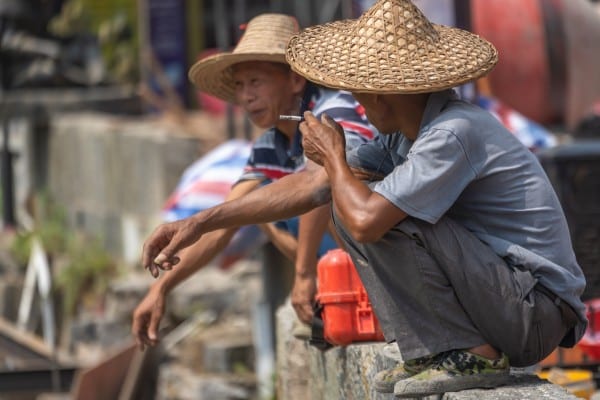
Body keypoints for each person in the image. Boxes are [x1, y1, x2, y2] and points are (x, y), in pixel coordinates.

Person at [140, 0, 587, 397]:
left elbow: (364, 219)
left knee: (366, 208)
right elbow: (308, 186)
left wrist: (333, 157)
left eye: (360, 92)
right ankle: (435, 350)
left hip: (534, 311)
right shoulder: (401, 137)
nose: (355, 101)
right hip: (507, 301)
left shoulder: (453, 133)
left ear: (382, 94)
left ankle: (475, 356)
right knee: (346, 195)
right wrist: (200, 222)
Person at [132, 13, 376, 350]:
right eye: (240, 85)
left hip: (382, 246)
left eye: (256, 82)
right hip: (341, 260)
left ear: (294, 81)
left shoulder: (333, 110)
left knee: (310, 192)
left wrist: (303, 274)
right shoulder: (269, 144)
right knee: (253, 209)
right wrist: (159, 289)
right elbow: (222, 224)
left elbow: (321, 184)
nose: (246, 96)